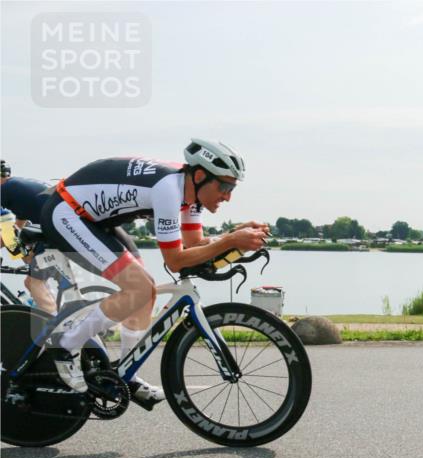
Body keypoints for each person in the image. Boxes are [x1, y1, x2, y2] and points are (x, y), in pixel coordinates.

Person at [40, 139, 269, 404]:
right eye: (224, 187)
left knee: (145, 291)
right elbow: (175, 261)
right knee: (139, 287)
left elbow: (194, 244)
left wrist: (234, 235)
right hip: (67, 213)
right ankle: (65, 346)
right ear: (200, 176)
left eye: (232, 188)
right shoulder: (168, 190)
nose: (227, 196)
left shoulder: (191, 194)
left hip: (96, 220)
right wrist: (229, 241)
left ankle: (126, 372)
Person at [0, 159, 59, 313]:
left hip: (54, 230)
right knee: (32, 266)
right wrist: (24, 254)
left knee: (32, 282)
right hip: (57, 227)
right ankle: (53, 309)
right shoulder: (16, 188)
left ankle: (56, 321)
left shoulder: (4, 190)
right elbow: (17, 227)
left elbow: (8, 235)